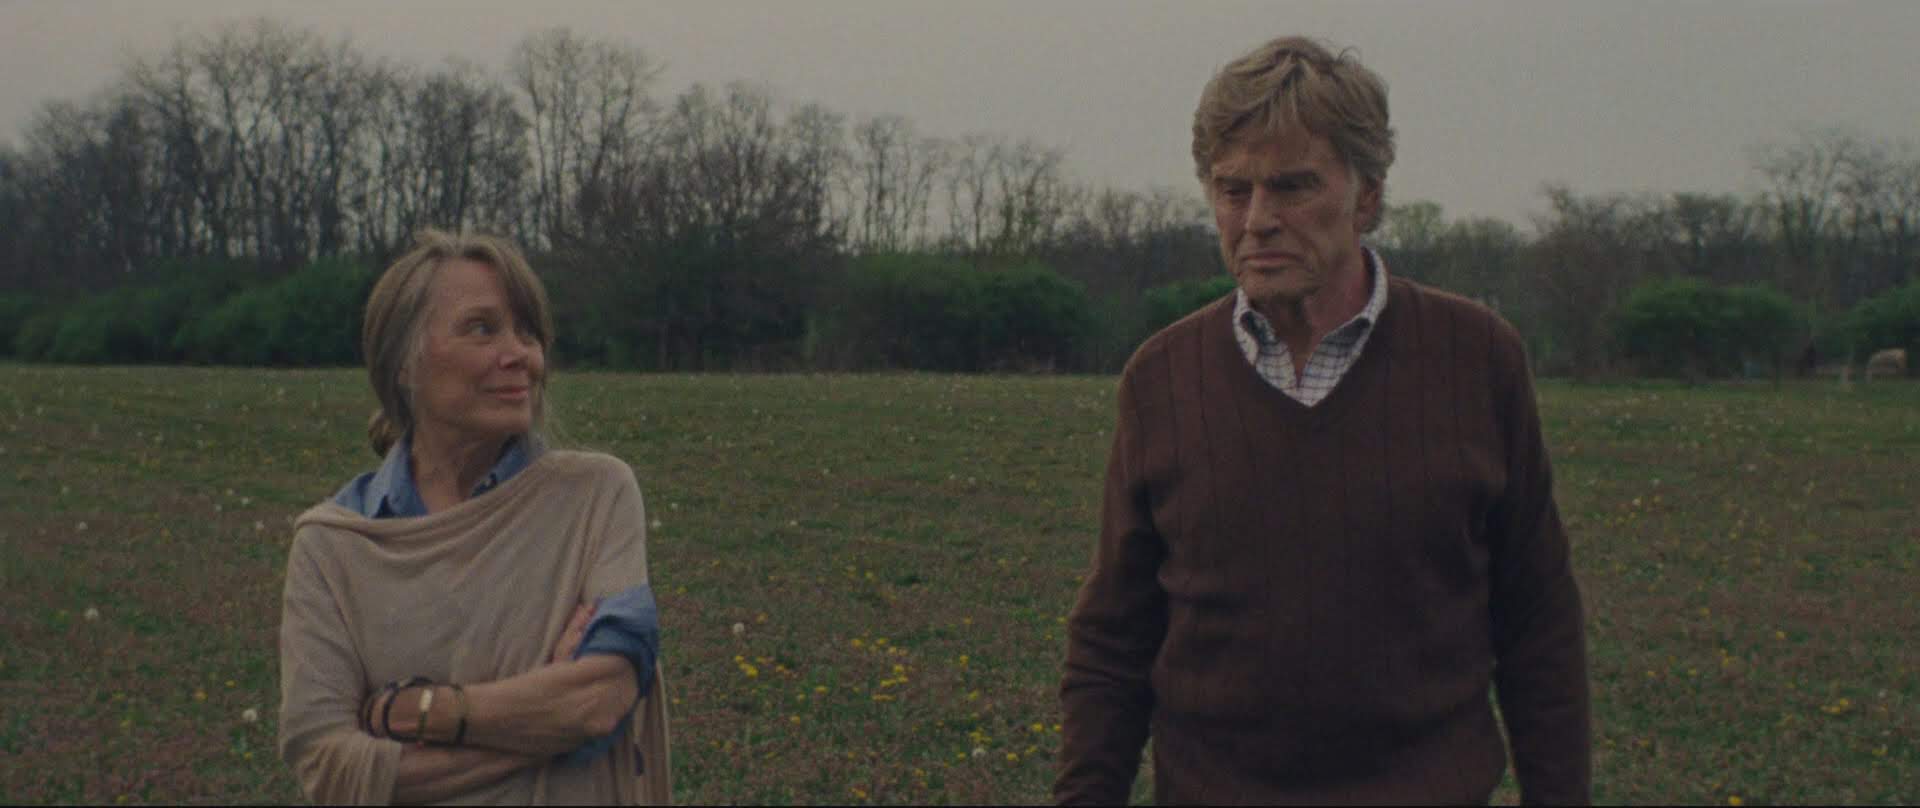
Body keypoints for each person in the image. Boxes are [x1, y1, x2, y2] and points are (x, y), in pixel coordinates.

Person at [1055, 36, 1590, 805]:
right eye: (1232, 190)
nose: (1258, 220)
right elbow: (1115, 636)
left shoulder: (1478, 360)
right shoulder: (1162, 380)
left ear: (1366, 196)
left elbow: (1537, 617)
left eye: (1292, 186)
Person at [277, 230, 671, 804]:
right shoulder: (333, 547)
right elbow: (330, 767)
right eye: (482, 329)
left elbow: (600, 700)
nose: (521, 356)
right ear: (404, 363)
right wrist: (544, 719)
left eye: (527, 332)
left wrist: (419, 711)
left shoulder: (595, 495)